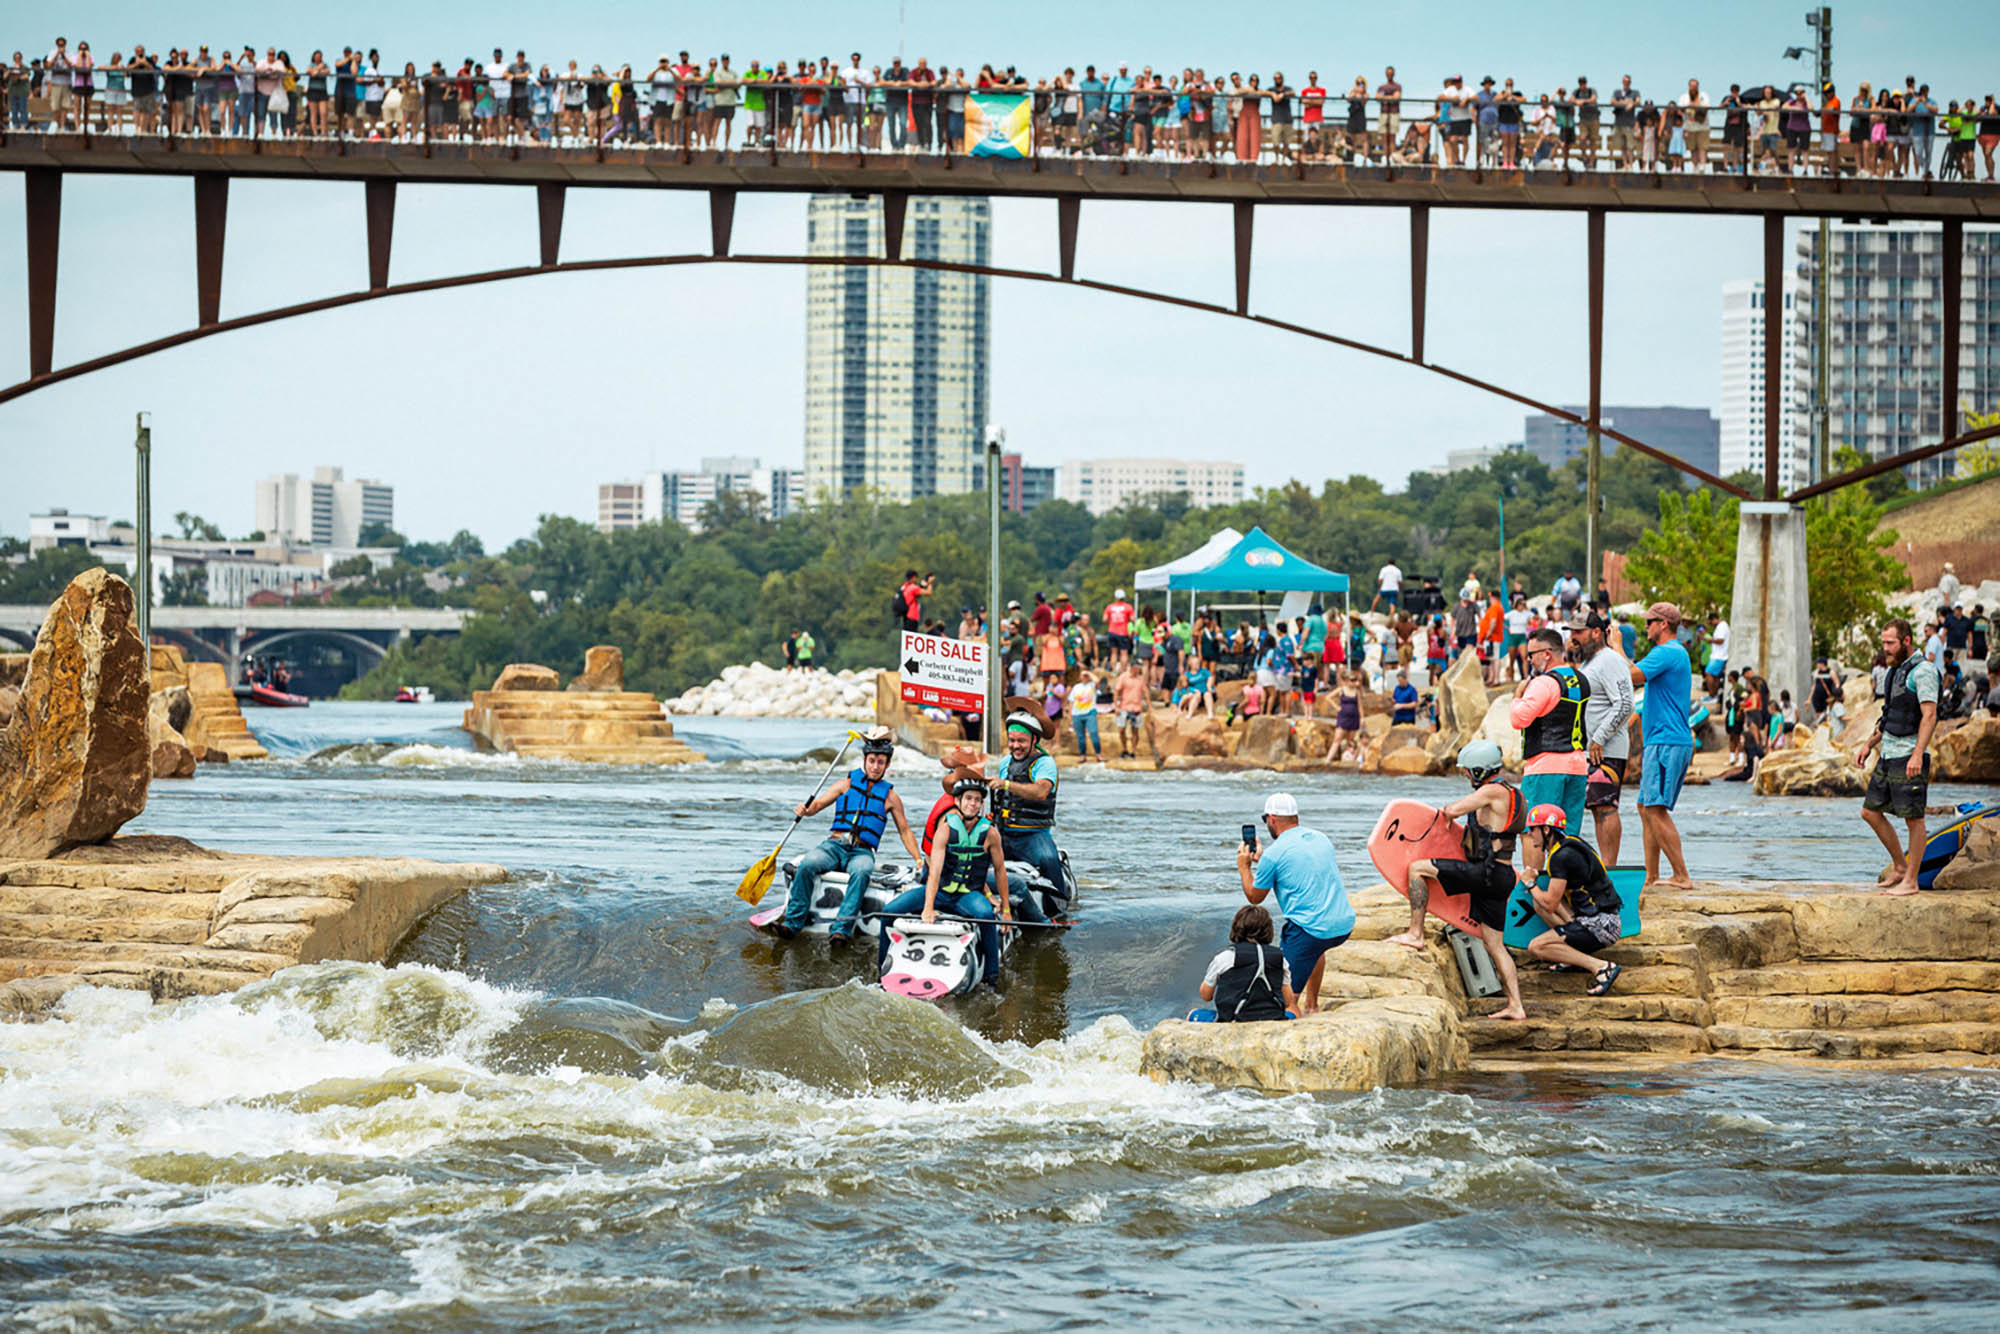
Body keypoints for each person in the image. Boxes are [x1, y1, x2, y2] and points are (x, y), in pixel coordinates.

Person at [1383, 740, 1527, 1020]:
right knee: (1494, 944)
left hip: (1485, 874)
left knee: (1417, 869)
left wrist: (1447, 814)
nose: (1464, 775)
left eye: (1466, 771)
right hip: (1503, 874)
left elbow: (1451, 811)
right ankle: (1515, 1005)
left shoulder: (1491, 792)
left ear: (1478, 769)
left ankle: (1415, 933)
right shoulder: (1515, 794)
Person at [774, 731, 923, 942]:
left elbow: (905, 830)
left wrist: (917, 858)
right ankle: (792, 923)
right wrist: (805, 810)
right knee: (808, 864)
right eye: (872, 761)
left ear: (887, 765)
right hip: (834, 846)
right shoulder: (845, 784)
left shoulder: (891, 797)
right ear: (865, 760)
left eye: (881, 762)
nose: (875, 766)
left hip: (862, 851)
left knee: (861, 872)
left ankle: (840, 930)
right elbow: (817, 805)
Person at [878, 774, 1010, 986]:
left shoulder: (991, 834)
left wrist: (1006, 910)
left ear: (981, 804)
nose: (972, 803)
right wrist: (928, 908)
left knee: (986, 915)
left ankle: (991, 977)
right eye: (968, 798)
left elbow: (1001, 870)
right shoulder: (946, 830)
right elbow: (935, 872)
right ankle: (882, 971)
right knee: (888, 912)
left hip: (967, 895)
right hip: (939, 892)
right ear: (958, 801)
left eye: (977, 800)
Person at [1237, 793, 1354, 1016]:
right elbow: (1298, 866)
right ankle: (1312, 1006)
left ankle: (1298, 1015)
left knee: (1284, 1001)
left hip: (1312, 931)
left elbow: (1255, 897)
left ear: (1271, 819)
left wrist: (1244, 867)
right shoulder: (1320, 838)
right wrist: (1263, 863)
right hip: (1342, 926)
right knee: (1316, 947)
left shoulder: (1274, 854)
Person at [1855, 620, 1940, 896]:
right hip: (1889, 751)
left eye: (1891, 643)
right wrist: (1869, 743)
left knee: (1913, 818)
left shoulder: (1923, 671)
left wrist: (1917, 754)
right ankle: (1900, 868)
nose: (1886, 649)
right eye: (1884, 643)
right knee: (1870, 812)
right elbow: (1890, 713)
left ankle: (1911, 882)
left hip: (1909, 754)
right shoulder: (1893, 672)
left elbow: (1929, 715)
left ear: (1906, 641)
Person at [1515, 804, 1625, 997]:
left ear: (1546, 829)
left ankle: (1601, 967)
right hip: (1603, 917)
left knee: (1537, 946)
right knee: (1537, 904)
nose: (1530, 834)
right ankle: (1569, 956)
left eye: (1533, 829)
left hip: (1601, 925)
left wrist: (1530, 884)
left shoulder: (1561, 857)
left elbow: (1550, 904)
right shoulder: (1569, 843)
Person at [1629, 602, 1696, 893]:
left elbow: (1632, 676)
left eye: (1649, 622)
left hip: (1668, 740)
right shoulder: (1672, 653)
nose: (1646, 627)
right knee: (1645, 807)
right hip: (1661, 739)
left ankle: (1681, 875)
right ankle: (1651, 875)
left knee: (1655, 809)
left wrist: (1617, 647)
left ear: (1663, 624)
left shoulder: (1666, 652)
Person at [989, 696, 1069, 917]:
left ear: (1034, 740)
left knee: (1048, 860)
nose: (1015, 745)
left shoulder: (1045, 763)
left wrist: (1006, 784)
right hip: (1002, 834)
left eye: (1021, 741)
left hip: (1033, 835)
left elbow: (1041, 791)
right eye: (1012, 740)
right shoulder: (1006, 762)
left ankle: (1058, 909)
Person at [1508, 628, 1591, 835]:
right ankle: (1564, 868)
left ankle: (1531, 869)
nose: (1529, 660)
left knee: (1533, 831)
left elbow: (1519, 719)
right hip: (1577, 765)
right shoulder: (1581, 680)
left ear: (1547, 654)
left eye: (1531, 655)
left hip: (1545, 766)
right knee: (1568, 833)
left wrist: (1518, 695)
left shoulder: (1543, 683)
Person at [1574, 611, 1635, 867]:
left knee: (1606, 807)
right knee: (1596, 808)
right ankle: (1604, 865)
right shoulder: (1590, 662)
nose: (1573, 638)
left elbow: (1625, 704)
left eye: (1578, 633)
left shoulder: (1609, 660)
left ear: (1596, 632)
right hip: (1591, 749)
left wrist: (1598, 739)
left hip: (1606, 748)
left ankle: (1610, 867)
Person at [1195, 904, 1295, 1022]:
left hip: (1233, 1019)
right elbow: (1288, 1001)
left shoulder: (1225, 957)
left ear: (1236, 929)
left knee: (1194, 1013)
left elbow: (1206, 996)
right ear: (1269, 930)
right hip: (1272, 1018)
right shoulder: (1279, 958)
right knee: (1291, 1015)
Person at [1112, 658, 1149, 758]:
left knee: (1135, 730)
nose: (1139, 670)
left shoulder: (1140, 679)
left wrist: (1150, 707)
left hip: (1136, 707)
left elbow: (1145, 692)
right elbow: (1116, 692)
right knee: (1121, 729)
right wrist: (1116, 706)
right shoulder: (1123, 677)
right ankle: (1124, 748)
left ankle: (1133, 751)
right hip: (1124, 706)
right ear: (1133, 667)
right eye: (1138, 668)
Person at [1070, 667, 1103, 760]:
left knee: (1093, 733)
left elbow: (1097, 680)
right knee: (1080, 736)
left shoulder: (1092, 685)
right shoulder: (1076, 687)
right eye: (1082, 675)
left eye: (1086, 676)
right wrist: (1070, 718)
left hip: (1090, 713)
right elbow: (1071, 702)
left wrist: (1088, 673)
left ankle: (1098, 754)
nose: (1084, 677)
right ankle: (1082, 755)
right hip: (1076, 714)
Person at [1103, 588, 1136, 670]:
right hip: (1123, 632)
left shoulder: (1109, 607)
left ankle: (1114, 670)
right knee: (1124, 653)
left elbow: (1104, 619)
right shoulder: (1128, 607)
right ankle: (1122, 671)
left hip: (1111, 632)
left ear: (1115, 597)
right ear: (1124, 597)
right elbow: (1133, 619)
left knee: (1113, 653)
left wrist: (1111, 623)